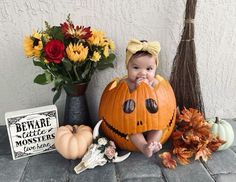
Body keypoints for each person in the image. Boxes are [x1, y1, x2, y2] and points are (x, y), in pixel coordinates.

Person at [122, 39, 163, 157]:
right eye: (136, 68)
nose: (142, 73)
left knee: (159, 129)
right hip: (134, 122)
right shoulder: (125, 84)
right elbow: (122, 100)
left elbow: (161, 99)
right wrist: (136, 88)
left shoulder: (155, 83)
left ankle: (152, 144)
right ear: (127, 67)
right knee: (133, 133)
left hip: (152, 121)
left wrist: (148, 88)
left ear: (155, 69)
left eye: (149, 69)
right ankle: (144, 147)